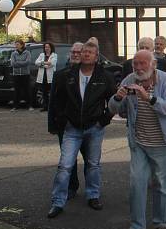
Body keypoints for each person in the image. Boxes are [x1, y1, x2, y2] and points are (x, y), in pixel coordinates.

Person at [109, 49, 166, 229]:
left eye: (142, 64)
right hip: (138, 141)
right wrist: (117, 98)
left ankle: (161, 222)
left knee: (162, 184)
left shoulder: (165, 80)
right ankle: (137, 226)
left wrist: (149, 98)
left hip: (161, 142)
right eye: (135, 64)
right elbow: (113, 109)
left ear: (153, 64)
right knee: (136, 183)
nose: (138, 68)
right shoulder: (129, 79)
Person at [47, 41, 117, 218]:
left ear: (96, 56)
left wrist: (103, 120)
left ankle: (93, 195)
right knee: (65, 165)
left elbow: (114, 102)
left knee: (93, 164)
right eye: (84, 51)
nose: (85, 54)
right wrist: (62, 120)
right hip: (72, 128)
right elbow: (57, 100)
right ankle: (58, 201)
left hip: (94, 127)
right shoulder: (67, 75)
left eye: (90, 52)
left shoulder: (104, 77)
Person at [48, 41, 88, 200]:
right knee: (67, 161)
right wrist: (52, 124)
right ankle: (71, 187)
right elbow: (53, 101)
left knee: (90, 161)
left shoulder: (91, 74)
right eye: (73, 52)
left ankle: (92, 191)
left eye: (79, 52)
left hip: (87, 125)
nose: (76, 54)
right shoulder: (60, 74)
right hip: (65, 125)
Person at [34, 42, 57, 112]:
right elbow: (36, 62)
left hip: (50, 77)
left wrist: (41, 63)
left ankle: (52, 107)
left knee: (52, 92)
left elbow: (52, 63)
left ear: (51, 48)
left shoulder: (54, 55)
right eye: (45, 47)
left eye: (48, 47)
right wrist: (45, 63)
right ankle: (45, 106)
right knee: (44, 93)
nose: (46, 48)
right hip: (43, 77)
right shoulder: (41, 55)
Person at [10, 39, 33, 111]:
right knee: (17, 91)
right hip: (16, 74)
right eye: (15, 44)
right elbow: (13, 63)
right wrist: (22, 63)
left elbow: (28, 62)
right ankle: (15, 106)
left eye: (17, 44)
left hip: (25, 74)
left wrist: (18, 63)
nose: (16, 46)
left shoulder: (27, 53)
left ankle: (29, 105)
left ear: (22, 45)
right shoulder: (13, 53)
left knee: (27, 90)